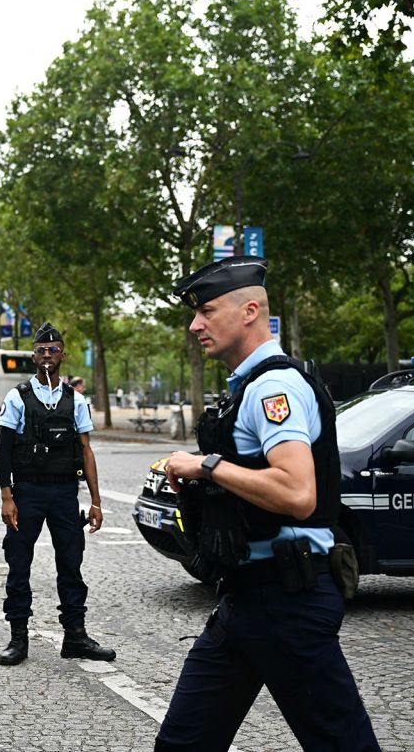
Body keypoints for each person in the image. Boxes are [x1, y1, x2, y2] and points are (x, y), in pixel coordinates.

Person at [155, 256, 378, 752]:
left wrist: (207, 467)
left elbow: (298, 494)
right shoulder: (250, 389)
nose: (195, 325)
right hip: (247, 599)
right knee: (183, 743)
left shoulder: (274, 389)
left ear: (249, 310)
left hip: (288, 601)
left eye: (207, 311)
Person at [0, 322, 116, 667]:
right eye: (41, 350)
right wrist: (7, 495)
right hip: (28, 491)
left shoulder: (75, 400)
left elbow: (86, 450)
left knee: (71, 564)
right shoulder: (17, 396)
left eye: (54, 350)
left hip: (65, 492)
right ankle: (18, 638)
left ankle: (75, 636)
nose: (47, 355)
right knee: (19, 564)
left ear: (63, 355)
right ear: (34, 356)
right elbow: (4, 450)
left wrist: (95, 501)